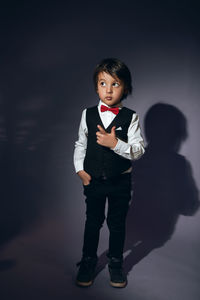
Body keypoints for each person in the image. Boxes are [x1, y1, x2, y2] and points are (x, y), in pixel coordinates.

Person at [73, 58, 145, 288]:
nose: (109, 89)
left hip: (120, 181)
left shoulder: (131, 117)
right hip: (93, 180)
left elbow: (138, 151)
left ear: (126, 88)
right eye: (103, 83)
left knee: (117, 223)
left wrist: (115, 143)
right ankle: (88, 261)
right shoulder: (87, 114)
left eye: (115, 84)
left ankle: (116, 263)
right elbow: (80, 144)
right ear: (96, 87)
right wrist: (80, 170)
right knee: (92, 222)